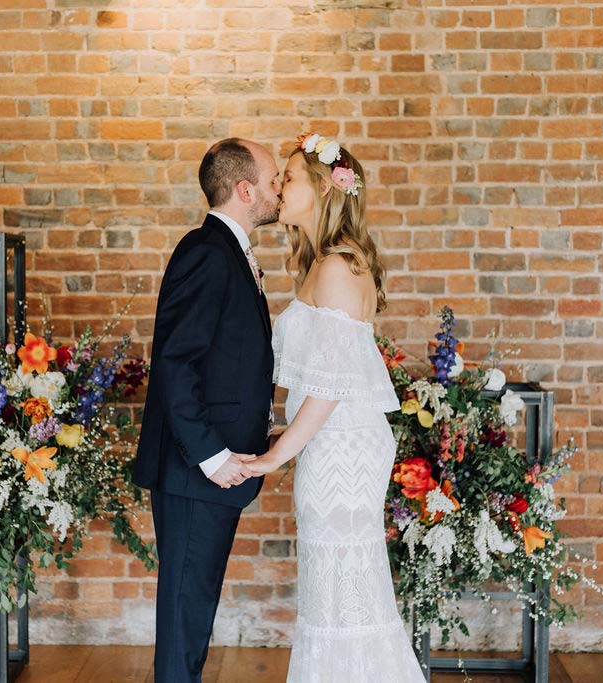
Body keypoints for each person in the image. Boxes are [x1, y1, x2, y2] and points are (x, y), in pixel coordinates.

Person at [246, 133, 425, 682]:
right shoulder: (323, 265)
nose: (278, 188)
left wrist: (276, 455)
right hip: (330, 442)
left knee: (345, 597)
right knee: (334, 592)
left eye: (290, 179)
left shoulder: (338, 269)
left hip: (340, 447)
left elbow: (326, 386)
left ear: (325, 190)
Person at [133, 137, 283, 682]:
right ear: (245, 190)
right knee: (184, 615)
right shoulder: (205, 251)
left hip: (211, 470)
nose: (278, 190)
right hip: (198, 471)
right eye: (272, 182)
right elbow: (175, 362)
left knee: (194, 613)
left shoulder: (228, 254)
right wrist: (212, 455)